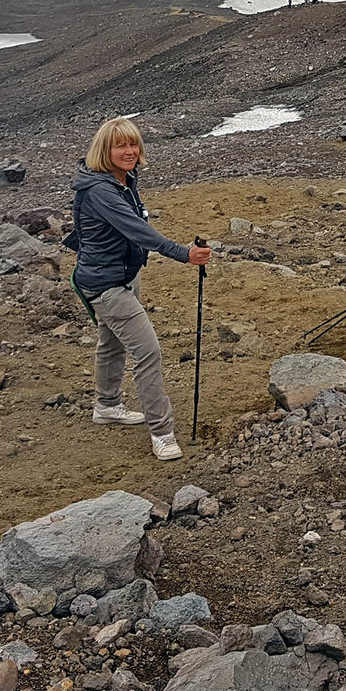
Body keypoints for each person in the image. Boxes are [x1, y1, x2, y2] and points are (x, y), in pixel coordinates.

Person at [69, 117, 211, 461]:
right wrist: (184, 253)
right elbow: (137, 230)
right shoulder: (101, 190)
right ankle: (162, 433)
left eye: (133, 144)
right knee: (148, 353)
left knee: (112, 342)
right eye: (121, 145)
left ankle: (106, 405)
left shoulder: (123, 179)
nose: (129, 151)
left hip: (123, 274)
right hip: (105, 284)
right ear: (106, 149)